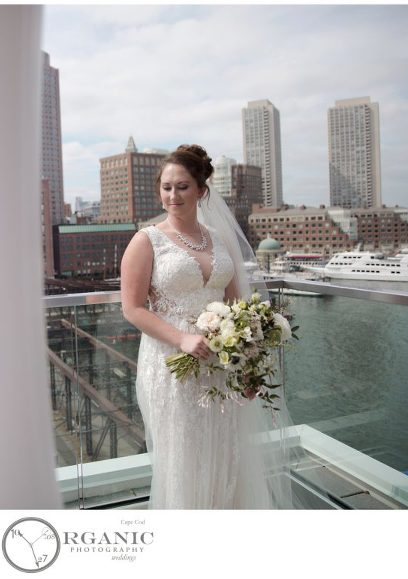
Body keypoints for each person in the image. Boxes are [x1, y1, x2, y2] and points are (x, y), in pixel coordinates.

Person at [121, 144, 296, 508]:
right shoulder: (146, 240)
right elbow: (133, 308)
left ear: (201, 190)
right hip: (171, 367)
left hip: (221, 366)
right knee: (184, 461)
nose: (173, 195)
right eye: (166, 187)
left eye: (182, 186)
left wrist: (248, 368)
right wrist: (182, 339)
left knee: (225, 456)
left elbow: (236, 307)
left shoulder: (219, 239)